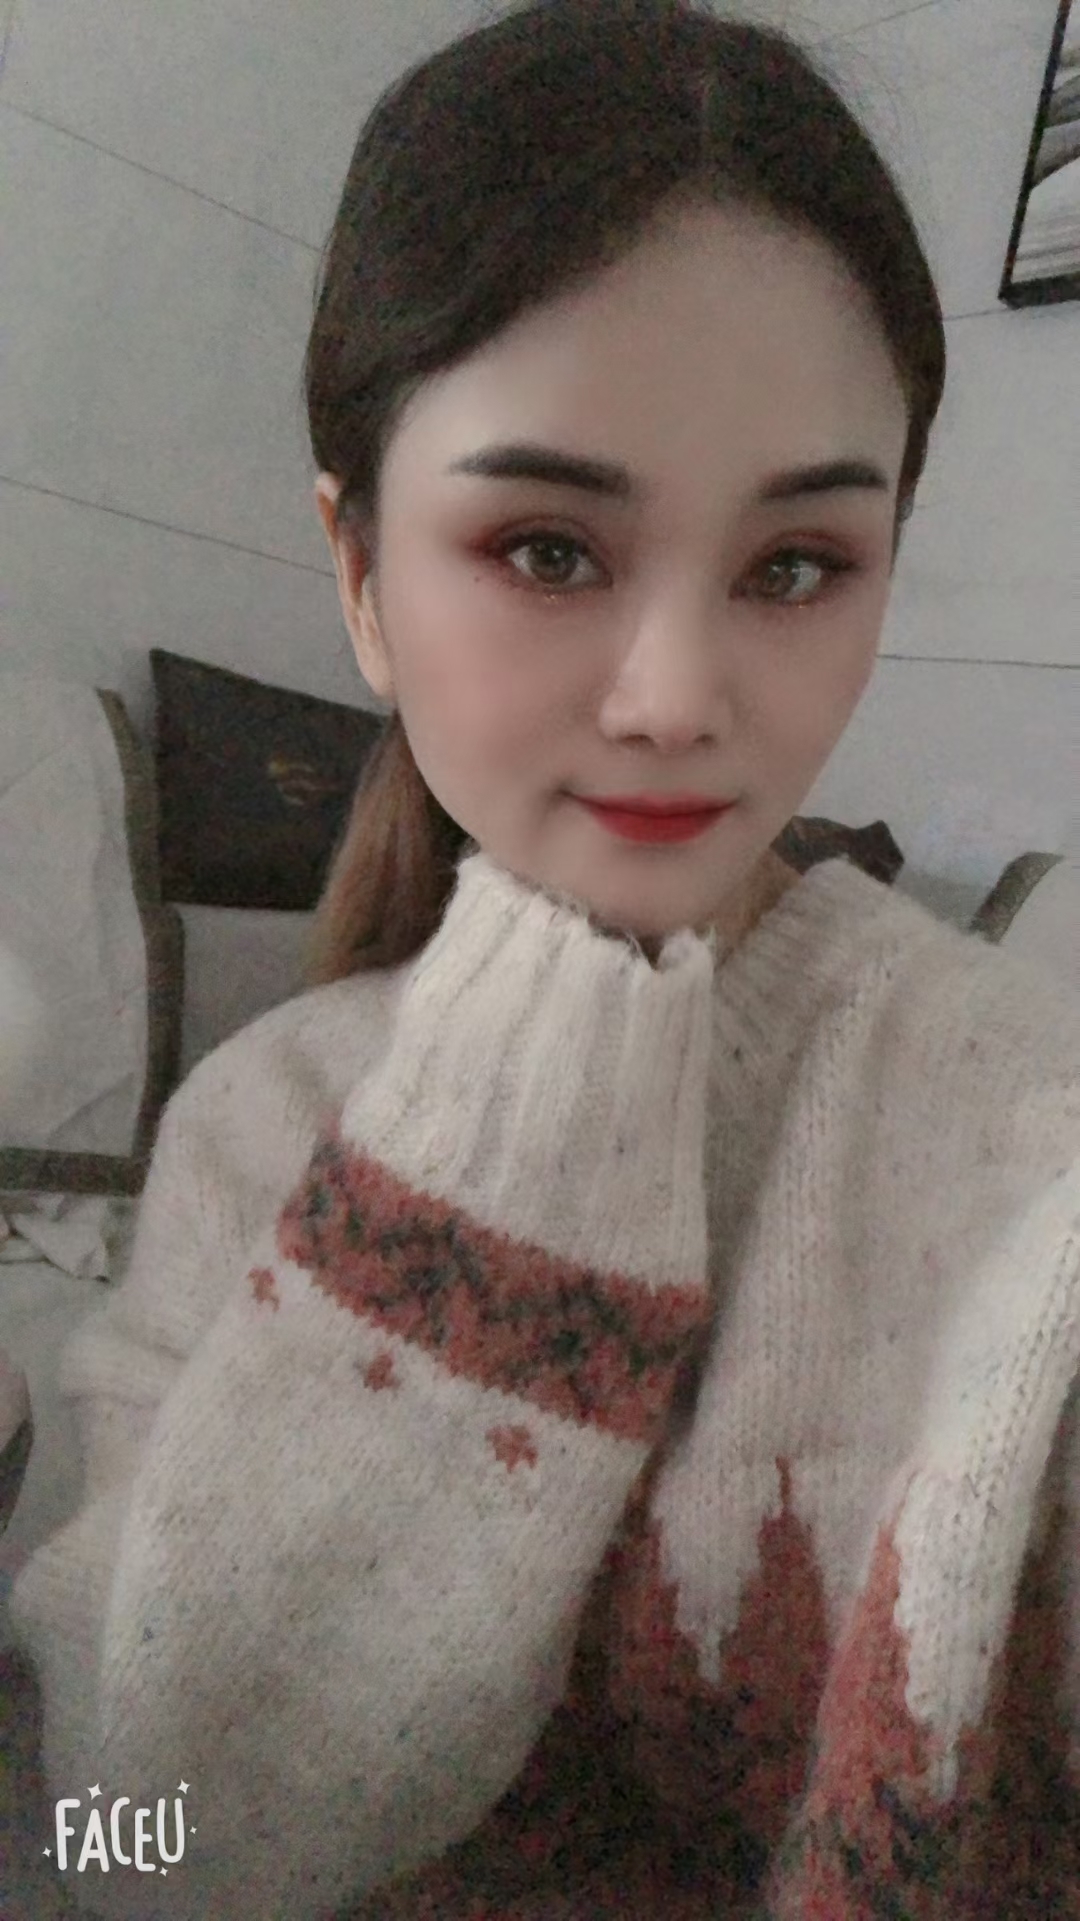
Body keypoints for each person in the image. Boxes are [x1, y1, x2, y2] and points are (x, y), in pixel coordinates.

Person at [10, 0, 1080, 1916]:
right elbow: (124, 1841)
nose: (674, 698)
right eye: (548, 550)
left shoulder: (1032, 1140)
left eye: (795, 566)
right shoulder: (258, 1128)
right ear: (360, 576)